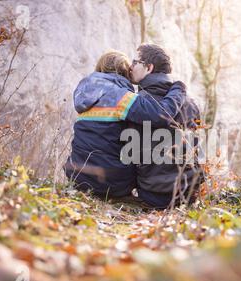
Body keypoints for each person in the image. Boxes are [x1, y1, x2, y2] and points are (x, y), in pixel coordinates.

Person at [65, 50, 186, 199]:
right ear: (125, 72)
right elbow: (160, 115)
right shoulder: (120, 96)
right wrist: (178, 89)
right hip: (110, 183)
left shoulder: (85, 93)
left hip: (76, 176)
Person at [129, 43, 203, 209]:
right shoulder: (191, 103)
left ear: (149, 67)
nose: (130, 66)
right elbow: (199, 151)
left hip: (153, 196)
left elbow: (129, 154)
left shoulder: (138, 102)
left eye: (135, 62)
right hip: (188, 194)